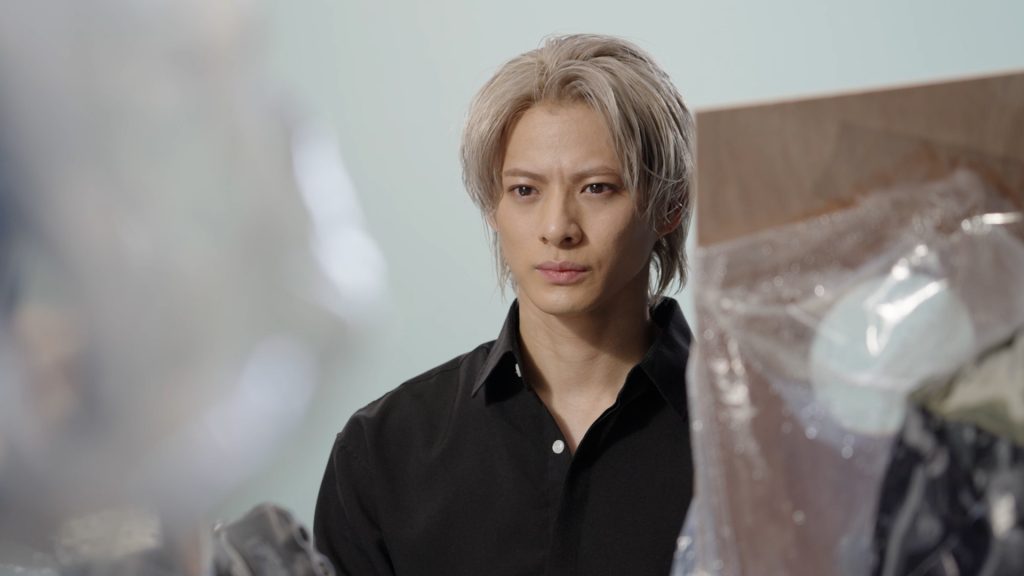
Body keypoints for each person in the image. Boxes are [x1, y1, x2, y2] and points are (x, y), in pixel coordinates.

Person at [314, 33, 695, 576]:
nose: (557, 228)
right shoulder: (384, 450)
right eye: (525, 190)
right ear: (492, 206)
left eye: (596, 188)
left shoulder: (761, 436)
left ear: (669, 205)